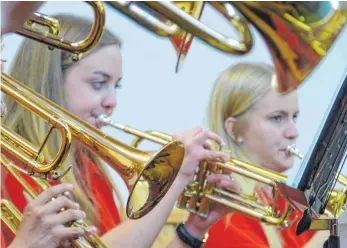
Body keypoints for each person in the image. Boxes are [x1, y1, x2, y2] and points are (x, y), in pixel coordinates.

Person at [1, 14, 239, 248]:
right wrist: (176, 176)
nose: (112, 101)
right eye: (98, 83)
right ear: (49, 83)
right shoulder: (16, 167)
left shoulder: (88, 166)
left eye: (116, 86)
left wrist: (193, 230)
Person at [203, 63, 318, 248]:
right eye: (276, 118)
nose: (293, 132)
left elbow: (317, 229)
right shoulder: (223, 211)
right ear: (234, 129)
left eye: (293, 117)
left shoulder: (285, 198)